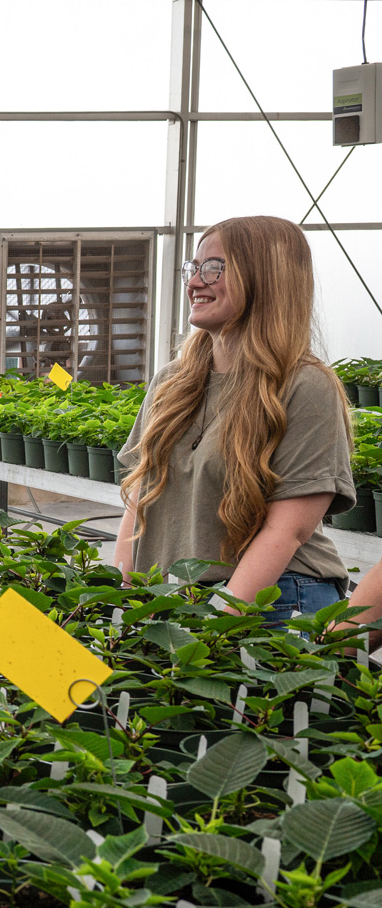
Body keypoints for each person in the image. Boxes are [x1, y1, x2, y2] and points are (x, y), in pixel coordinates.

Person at [114, 215, 354, 620]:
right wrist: (120, 592)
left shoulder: (304, 386)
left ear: (265, 277)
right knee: (19, 653)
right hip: (182, 599)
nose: (193, 282)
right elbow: (141, 498)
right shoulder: (172, 381)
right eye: (194, 268)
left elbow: (287, 531)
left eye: (214, 268)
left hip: (272, 600)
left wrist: (217, 625)